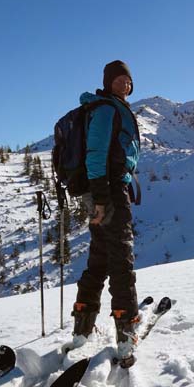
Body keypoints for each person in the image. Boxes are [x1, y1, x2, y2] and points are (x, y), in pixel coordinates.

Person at [70, 60, 141, 368]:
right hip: (109, 192)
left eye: (127, 80)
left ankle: (82, 330)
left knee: (99, 258)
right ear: (108, 82)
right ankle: (126, 337)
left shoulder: (111, 107)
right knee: (121, 261)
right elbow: (96, 153)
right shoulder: (106, 109)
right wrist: (101, 198)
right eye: (118, 80)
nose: (124, 84)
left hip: (107, 191)